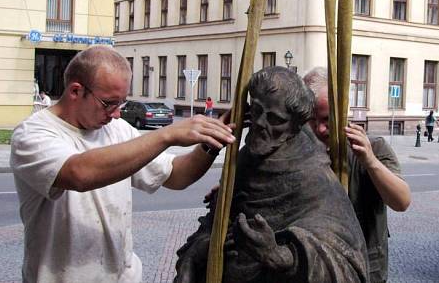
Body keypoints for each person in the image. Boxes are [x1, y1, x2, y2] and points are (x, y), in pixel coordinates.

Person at [10, 46, 236, 283]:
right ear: (76, 91)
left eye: (121, 103)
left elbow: (178, 175)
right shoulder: (33, 134)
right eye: (109, 103)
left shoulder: (117, 129)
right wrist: (167, 135)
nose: (116, 114)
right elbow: (78, 173)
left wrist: (213, 141)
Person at [176, 66, 369, 283]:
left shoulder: (314, 176)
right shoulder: (243, 158)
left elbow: (345, 262)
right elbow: (215, 224)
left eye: (275, 119)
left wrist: (281, 256)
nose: (260, 124)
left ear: (296, 125)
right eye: (257, 111)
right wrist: (202, 249)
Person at [303, 67, 411, 283]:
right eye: (310, 120)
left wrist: (370, 161)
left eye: (326, 119)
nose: (320, 129)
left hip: (363, 268)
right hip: (315, 269)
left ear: (343, 111)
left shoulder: (374, 147)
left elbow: (402, 201)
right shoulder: (299, 152)